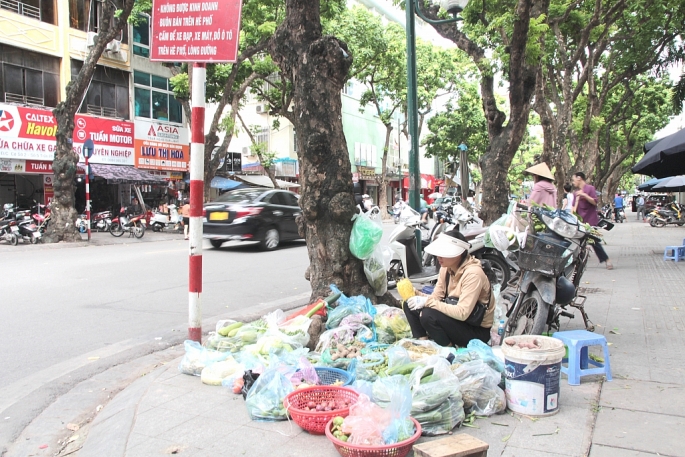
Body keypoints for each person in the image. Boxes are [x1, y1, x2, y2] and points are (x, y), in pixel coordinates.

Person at [403, 230, 495, 347]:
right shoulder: (446, 268)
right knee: (409, 304)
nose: (438, 257)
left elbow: (462, 313)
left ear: (458, 254)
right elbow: (436, 297)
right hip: (457, 320)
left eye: (444, 253)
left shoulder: (473, 274)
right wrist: (415, 294)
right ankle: (423, 344)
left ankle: (449, 349)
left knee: (428, 315)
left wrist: (427, 302)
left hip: (475, 329)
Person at [572, 172, 613, 270]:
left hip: (590, 220)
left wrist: (584, 195)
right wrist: (577, 199)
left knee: (594, 242)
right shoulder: (575, 193)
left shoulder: (590, 189)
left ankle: (607, 260)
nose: (573, 182)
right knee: (577, 243)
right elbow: (573, 210)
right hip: (580, 221)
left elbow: (594, 202)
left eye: (574, 180)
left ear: (579, 178)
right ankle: (578, 264)